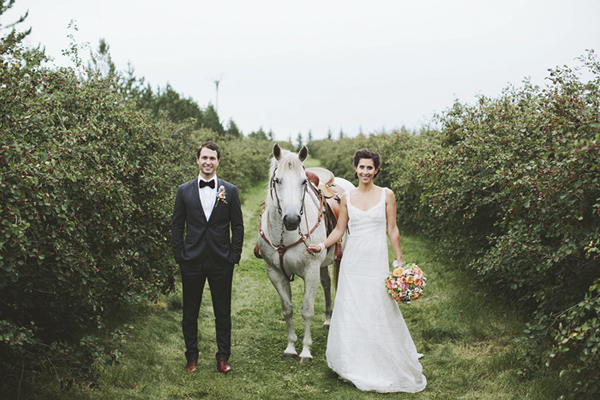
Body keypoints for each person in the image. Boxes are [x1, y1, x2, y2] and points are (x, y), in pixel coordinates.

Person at [307, 148, 426, 393]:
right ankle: (353, 361)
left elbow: (392, 229)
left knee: (377, 305)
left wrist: (399, 260)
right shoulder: (347, 197)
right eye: (361, 167)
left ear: (377, 170)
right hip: (352, 262)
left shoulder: (387, 195)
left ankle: (383, 356)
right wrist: (322, 244)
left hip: (376, 260)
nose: (365, 172)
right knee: (353, 307)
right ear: (355, 169)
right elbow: (340, 231)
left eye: (369, 168)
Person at [171, 141, 244, 374]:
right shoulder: (184, 190)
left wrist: (233, 255)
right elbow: (176, 225)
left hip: (221, 261)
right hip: (191, 260)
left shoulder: (229, 191)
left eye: (212, 158)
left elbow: (238, 226)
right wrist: (179, 255)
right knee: (189, 312)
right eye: (204, 157)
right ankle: (191, 357)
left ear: (218, 161)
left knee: (222, 312)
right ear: (197, 160)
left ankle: (223, 358)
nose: (208, 162)